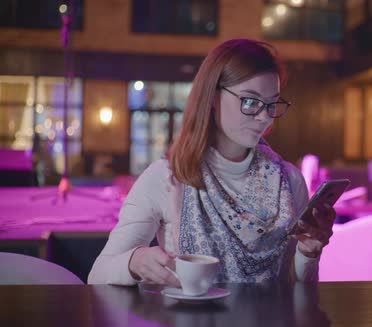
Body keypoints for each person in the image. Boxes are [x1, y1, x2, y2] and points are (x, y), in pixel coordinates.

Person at [88, 39, 336, 285]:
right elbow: (97, 275)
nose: (264, 117)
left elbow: (296, 289)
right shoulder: (166, 177)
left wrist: (308, 254)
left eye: (272, 104)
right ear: (213, 97)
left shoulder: (290, 181)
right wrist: (133, 261)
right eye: (249, 101)